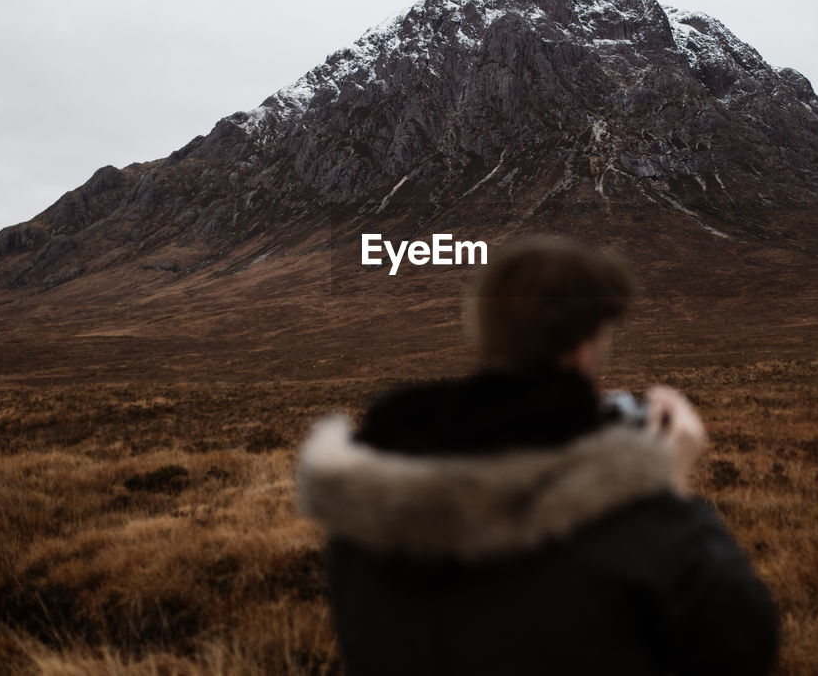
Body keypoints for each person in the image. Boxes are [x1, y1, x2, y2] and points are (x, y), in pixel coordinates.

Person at [295, 235, 779, 675]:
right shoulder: (644, 533)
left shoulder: (365, 511)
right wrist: (670, 492)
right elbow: (742, 645)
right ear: (581, 349)